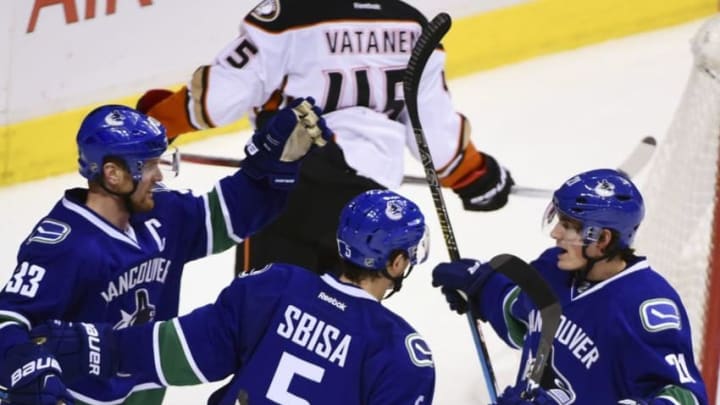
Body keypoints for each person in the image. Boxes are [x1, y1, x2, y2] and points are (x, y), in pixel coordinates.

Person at [135, 0, 514, 276]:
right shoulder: (413, 26)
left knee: (263, 323)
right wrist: (476, 176)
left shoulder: (284, 16)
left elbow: (216, 100)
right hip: (372, 201)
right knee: (341, 338)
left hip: (289, 188)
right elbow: (437, 143)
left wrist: (152, 124)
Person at [0, 98, 331, 405]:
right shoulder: (65, 245)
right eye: (147, 166)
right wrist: (30, 375)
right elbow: (8, 319)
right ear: (113, 174)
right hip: (83, 398)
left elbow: (227, 217)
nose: (158, 175)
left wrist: (273, 165)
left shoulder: (162, 211)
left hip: (145, 387)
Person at [30, 189, 435, 405]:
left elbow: (184, 351)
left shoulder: (277, 285)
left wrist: (95, 345)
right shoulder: (401, 353)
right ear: (396, 263)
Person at [431, 169, 708, 404]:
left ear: (602, 239)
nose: (555, 234)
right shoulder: (554, 268)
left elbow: (686, 397)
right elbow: (522, 317)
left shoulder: (644, 305)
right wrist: (482, 285)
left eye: (568, 226)